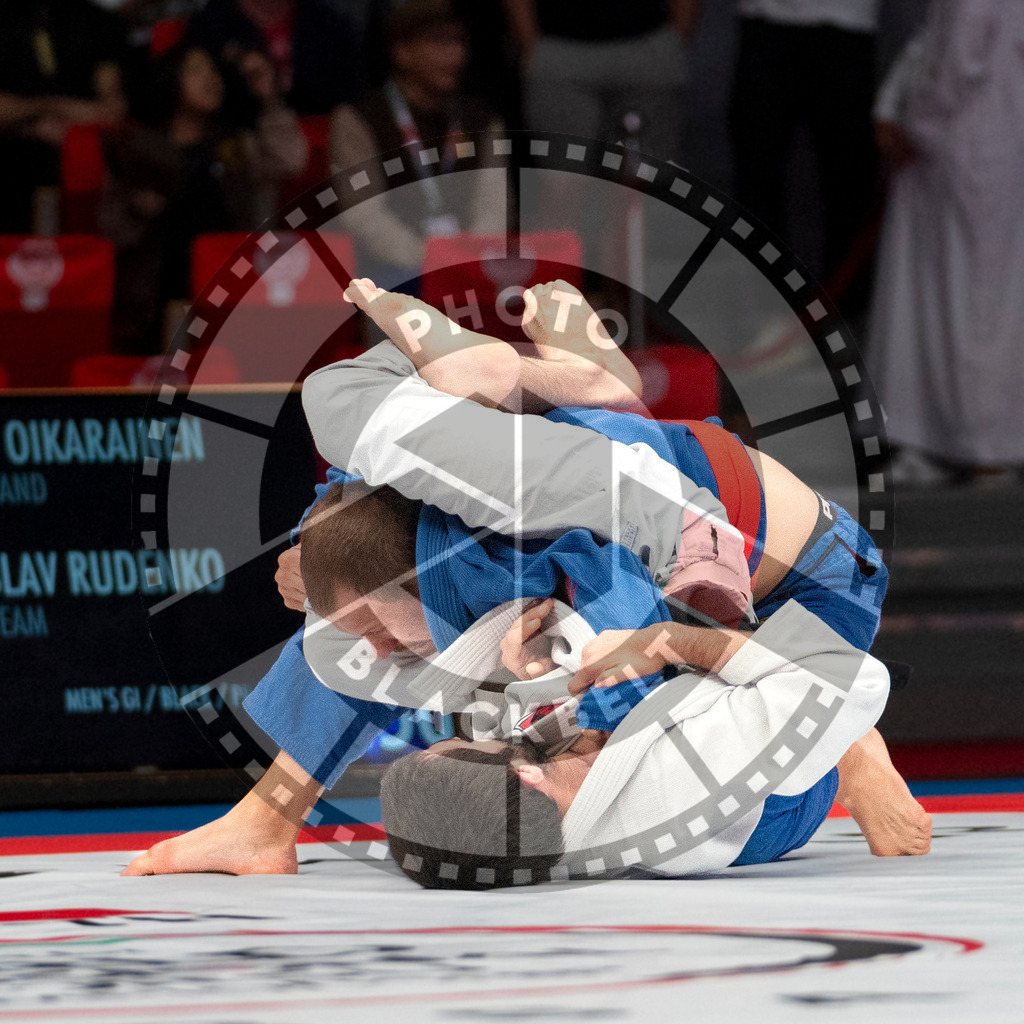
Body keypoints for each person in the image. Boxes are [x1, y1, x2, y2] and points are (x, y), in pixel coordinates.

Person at [121, 279, 912, 879]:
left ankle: (857, 750)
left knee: (566, 649)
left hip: (805, 586)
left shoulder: (553, 547)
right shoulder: (440, 499)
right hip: (601, 496)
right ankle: (268, 817)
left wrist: (852, 750)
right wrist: (316, 550)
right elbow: (368, 540)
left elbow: (684, 645)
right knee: (389, 603)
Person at [379, 600, 928, 888]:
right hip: (773, 811)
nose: (484, 734)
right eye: (483, 746)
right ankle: (855, 762)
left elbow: (511, 742)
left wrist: (531, 678)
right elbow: (851, 677)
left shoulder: (515, 818)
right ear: (527, 776)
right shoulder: (687, 781)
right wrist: (664, 642)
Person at [868, 0, 1024, 484]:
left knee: (970, 305)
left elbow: (957, 56)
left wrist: (913, 122)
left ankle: (983, 447)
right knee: (973, 302)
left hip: (967, 140)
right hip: (984, 136)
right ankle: (945, 440)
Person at [99, 42, 306, 352]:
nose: (211, 78)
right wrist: (138, 211)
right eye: (196, 70)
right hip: (153, 300)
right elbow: (110, 228)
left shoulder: (235, 146)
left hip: (229, 294)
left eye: (214, 71)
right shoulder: (137, 150)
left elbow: (291, 160)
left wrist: (269, 101)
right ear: (170, 81)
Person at [329, 0, 505, 288]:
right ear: (402, 51)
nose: (456, 55)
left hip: (472, 274)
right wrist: (428, 260)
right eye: (439, 42)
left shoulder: (482, 120)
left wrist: (466, 260)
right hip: (389, 277)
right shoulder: (360, 120)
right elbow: (364, 215)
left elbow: (494, 208)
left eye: (459, 41)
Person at [729, 0, 880, 315]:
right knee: (755, 175)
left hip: (846, 23)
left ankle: (847, 315)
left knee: (849, 180)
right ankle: (764, 310)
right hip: (765, 18)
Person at [0, 0, 128, 232]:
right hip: (12, 151)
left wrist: (52, 111)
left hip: (87, 147)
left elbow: (112, 111)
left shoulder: (98, 22)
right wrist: (39, 117)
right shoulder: (6, 20)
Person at [186, 0, 364, 116]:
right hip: (241, 148)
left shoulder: (330, 23)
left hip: (327, 146)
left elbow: (350, 96)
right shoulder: (209, 25)